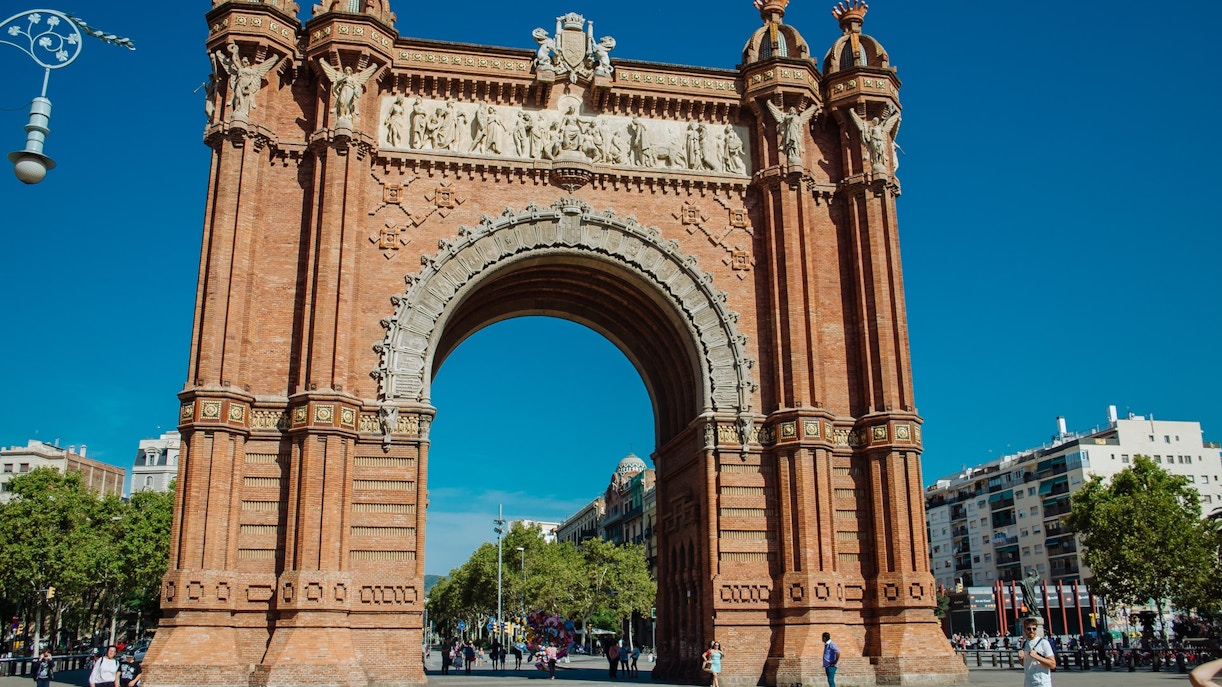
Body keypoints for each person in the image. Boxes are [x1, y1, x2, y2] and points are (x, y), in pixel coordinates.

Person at [1018, 618, 1055, 687]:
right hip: (1028, 682)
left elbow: (1053, 664)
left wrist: (1037, 656)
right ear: (1024, 629)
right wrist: (1020, 658)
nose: (1032, 631)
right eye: (1029, 629)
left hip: (1042, 683)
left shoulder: (1043, 643)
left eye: (1034, 629)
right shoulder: (1024, 643)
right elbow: (1026, 664)